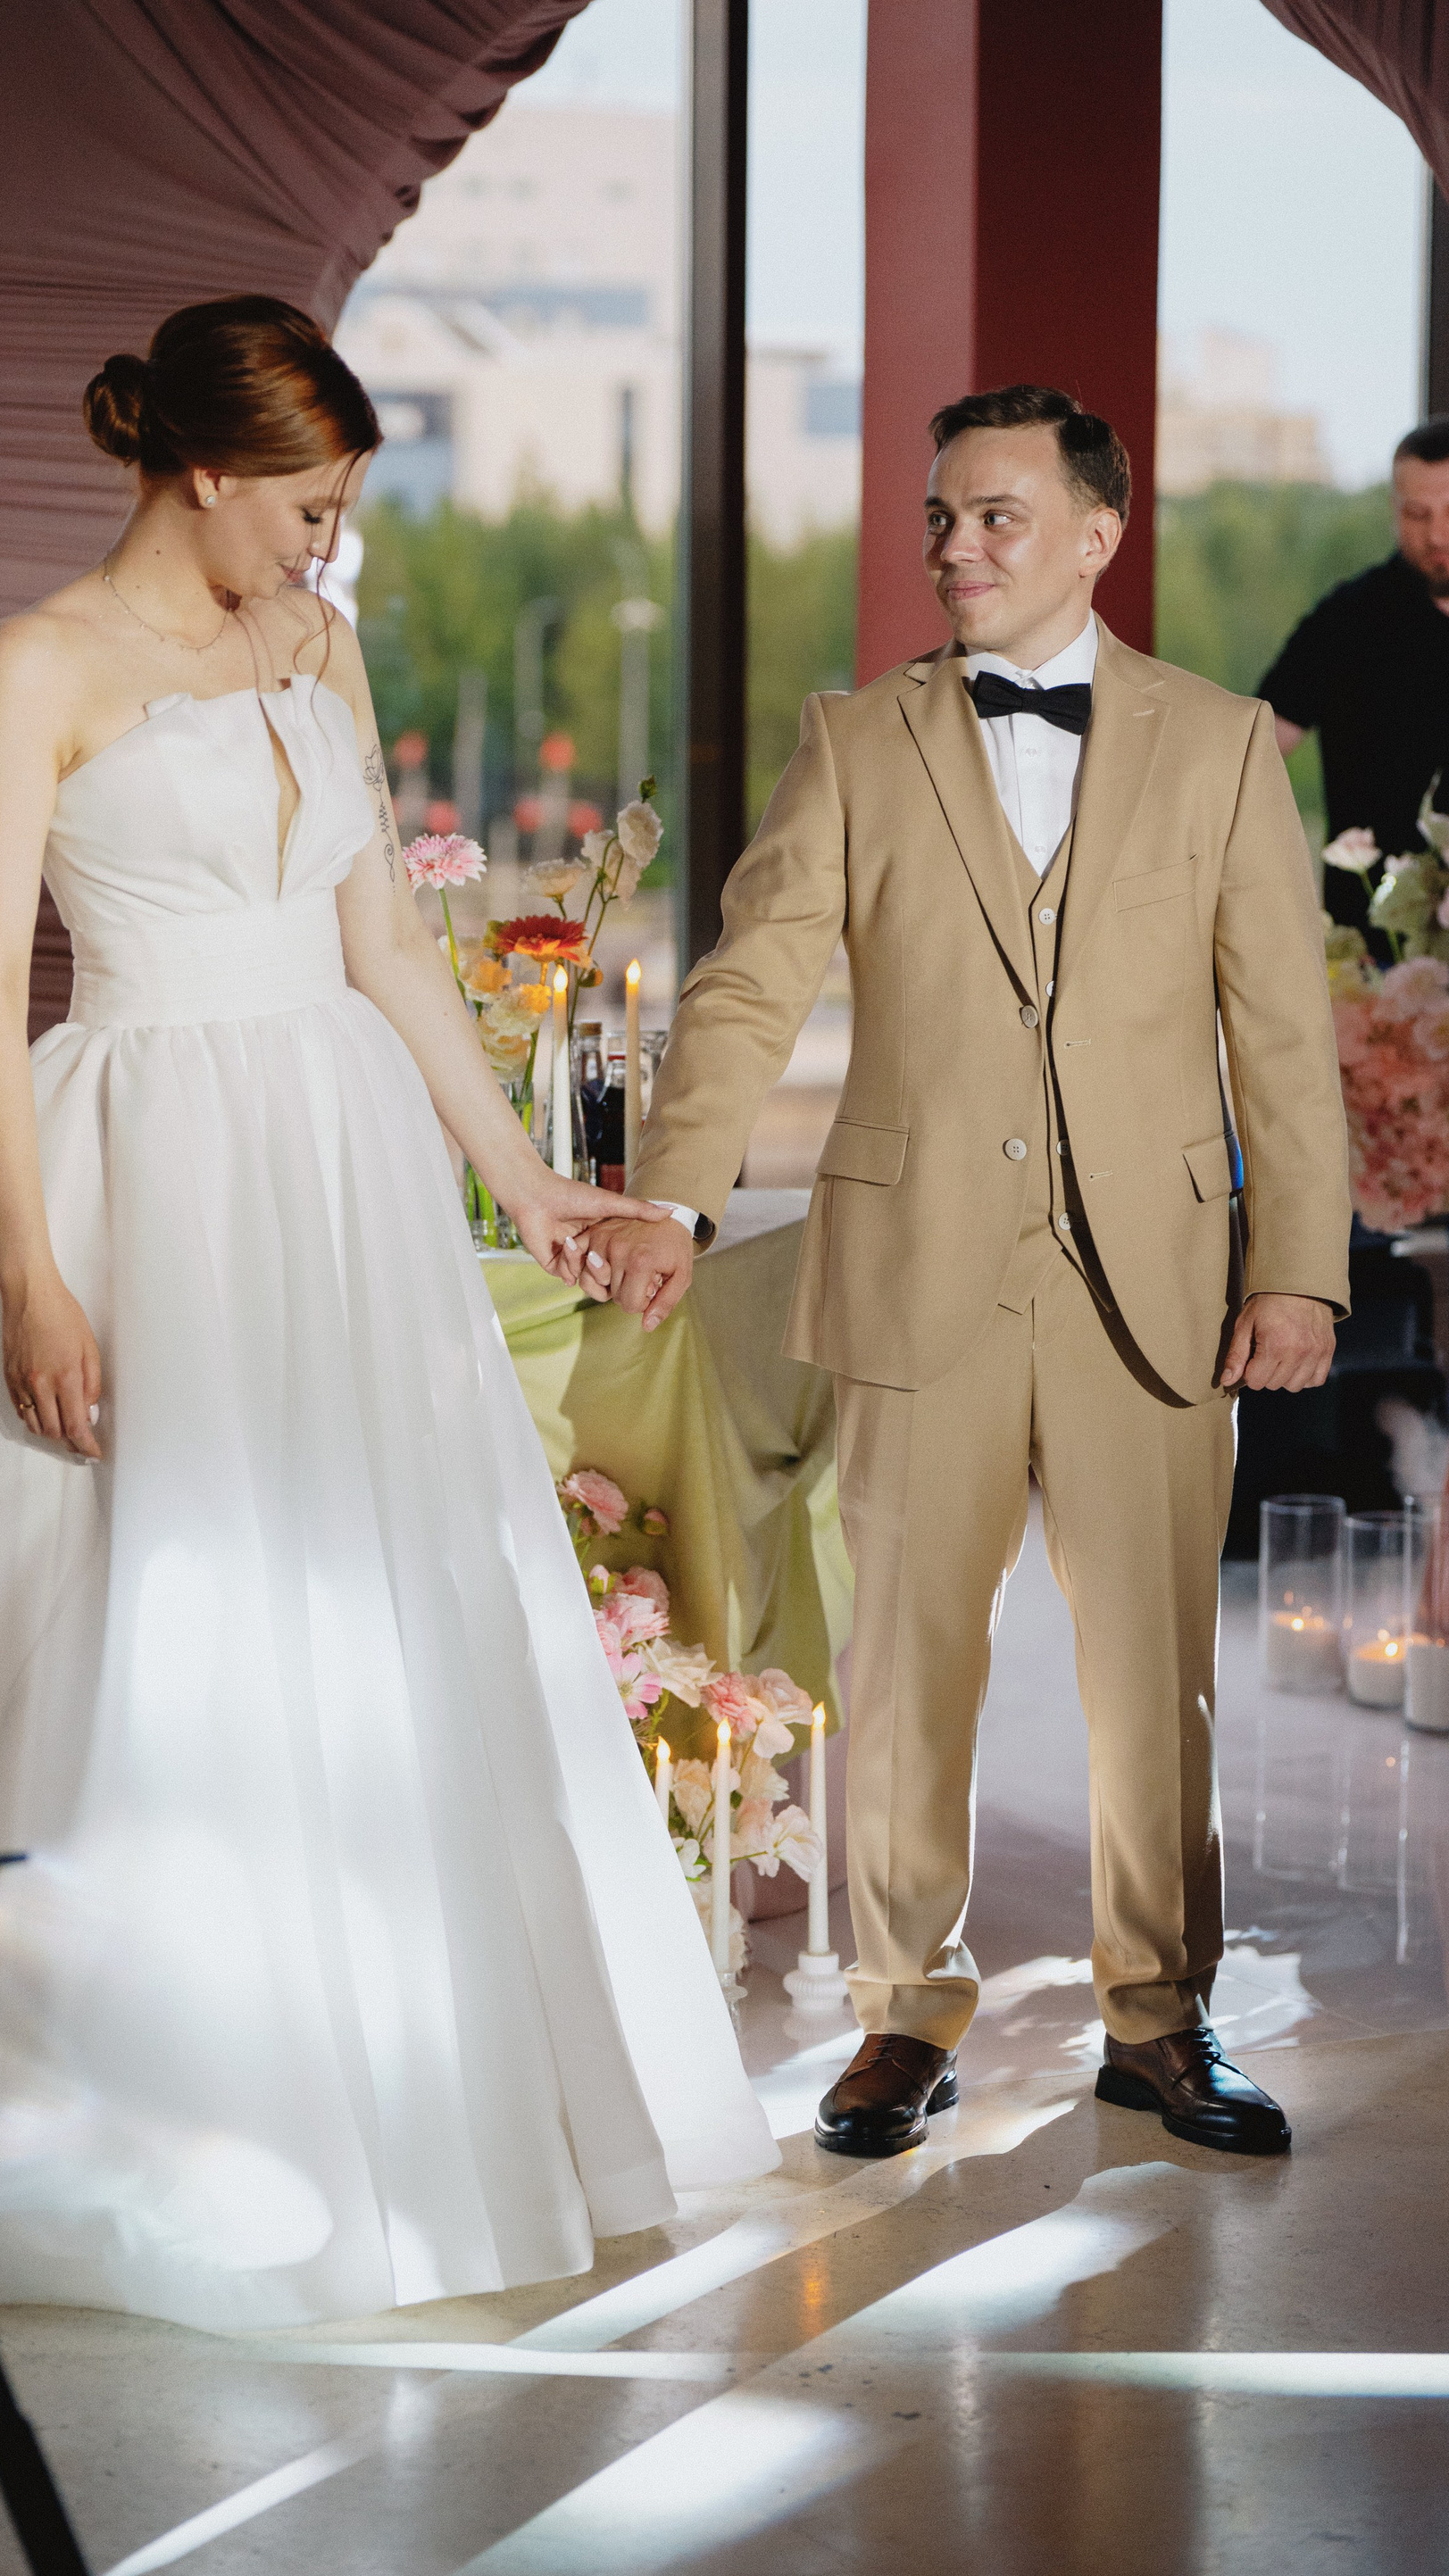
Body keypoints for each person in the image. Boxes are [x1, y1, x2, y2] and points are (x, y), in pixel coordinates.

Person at [0, 295, 776, 2333]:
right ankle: (126, 2114)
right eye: (308, 507)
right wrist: (36, 1271)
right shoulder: (38, 666)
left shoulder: (316, 649)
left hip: (337, 1174)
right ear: (202, 470)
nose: (323, 546)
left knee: (365, 1603)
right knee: (141, 1613)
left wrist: (527, 1184)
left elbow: (394, 955)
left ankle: (397, 2109)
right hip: (143, 1164)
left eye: (336, 511)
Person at [586, 384, 1350, 2162]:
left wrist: (1298, 1269)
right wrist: (673, 1199)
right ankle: (900, 2016)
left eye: (996, 515)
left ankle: (1158, 2016)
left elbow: (1282, 1036)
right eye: (941, 517)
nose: (956, 547)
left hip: (1155, 1286)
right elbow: (748, 985)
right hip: (916, 1266)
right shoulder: (857, 739)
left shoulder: (1223, 743)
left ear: (1097, 533)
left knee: (1156, 1674)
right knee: (908, 1667)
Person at [1260, 415, 1449, 927]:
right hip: (1369, 941)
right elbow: (1257, 747)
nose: (1437, 534)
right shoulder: (1346, 620)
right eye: (1417, 514)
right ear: (1394, 510)